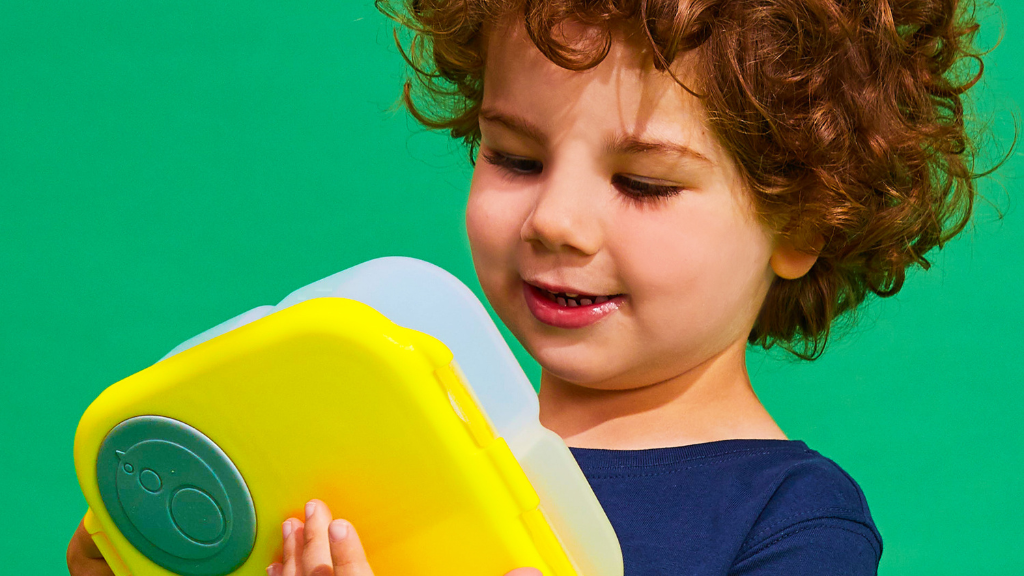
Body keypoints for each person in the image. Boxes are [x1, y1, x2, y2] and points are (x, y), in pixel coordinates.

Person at [69, 0, 993, 574]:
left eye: (643, 182)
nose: (555, 219)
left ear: (801, 219)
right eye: (514, 157)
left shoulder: (791, 523)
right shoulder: (387, 443)